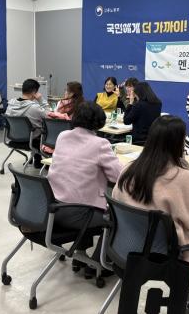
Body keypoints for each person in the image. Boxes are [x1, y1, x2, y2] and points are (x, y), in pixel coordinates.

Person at [113, 115, 189, 307]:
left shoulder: (129, 169)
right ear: (179, 143)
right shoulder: (181, 178)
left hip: (129, 249)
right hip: (167, 258)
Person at [47, 101, 122, 275]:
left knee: (83, 194)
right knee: (118, 217)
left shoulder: (62, 136)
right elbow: (117, 176)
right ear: (99, 121)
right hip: (79, 214)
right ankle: (98, 264)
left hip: (54, 208)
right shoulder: (100, 144)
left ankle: (80, 255)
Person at [6, 78, 50, 168]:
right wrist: (41, 100)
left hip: (13, 138)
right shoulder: (34, 107)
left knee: (35, 128)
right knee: (45, 132)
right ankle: (47, 162)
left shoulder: (10, 104)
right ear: (34, 92)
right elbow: (49, 115)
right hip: (30, 141)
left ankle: (37, 160)